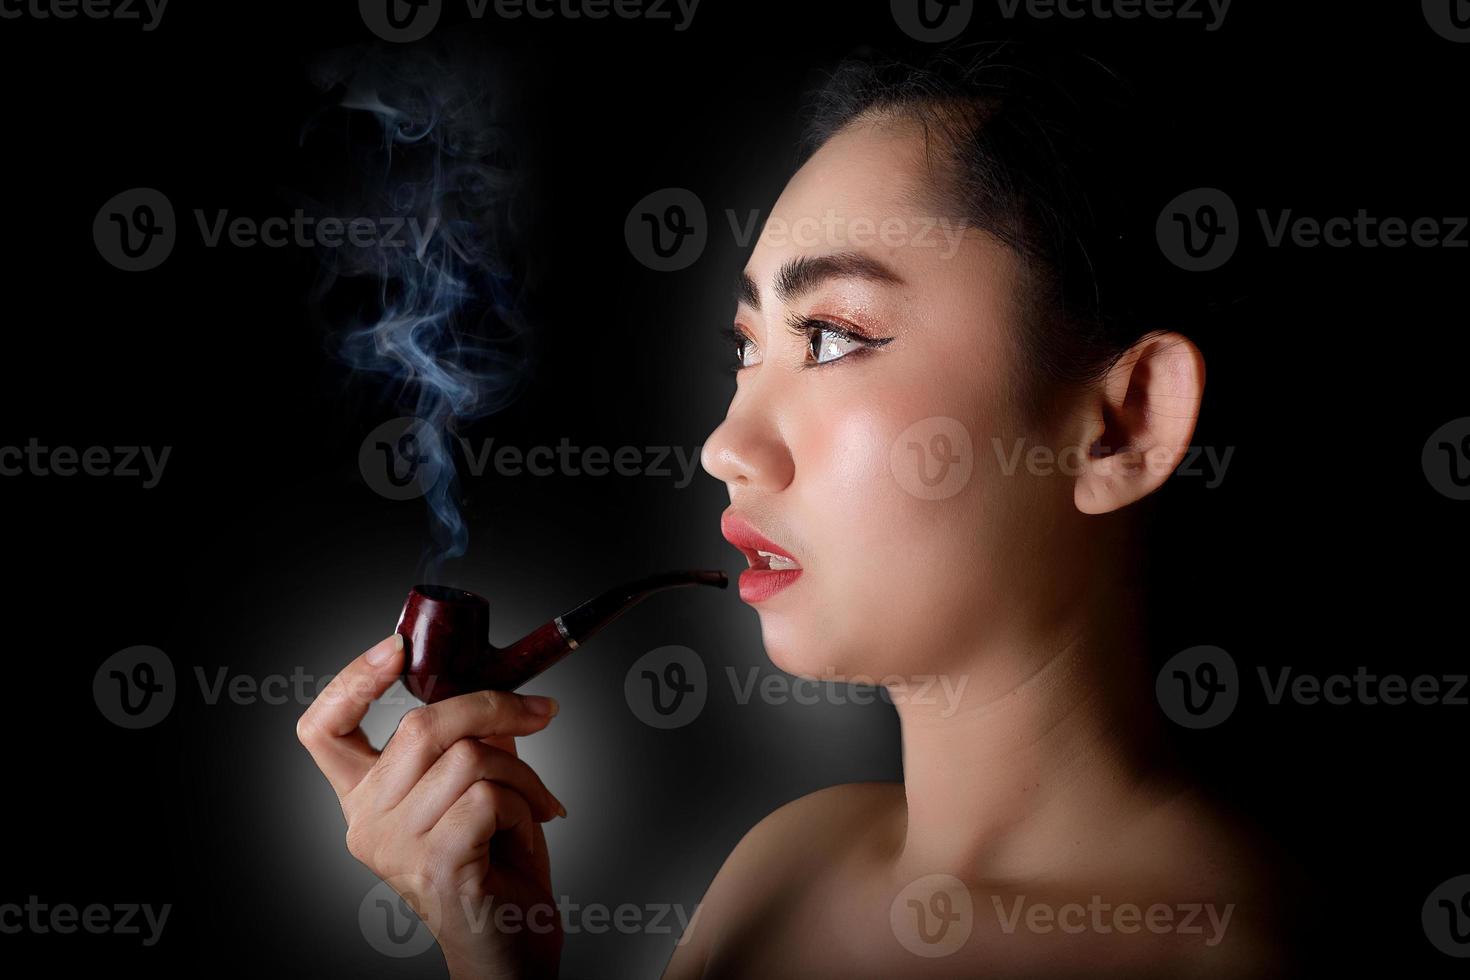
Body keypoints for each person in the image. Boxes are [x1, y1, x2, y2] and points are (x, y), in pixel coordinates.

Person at [300, 40, 1298, 979]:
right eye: (746, 346)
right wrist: (492, 953)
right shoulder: (787, 862)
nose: (726, 445)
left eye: (831, 335)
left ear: (1124, 423)